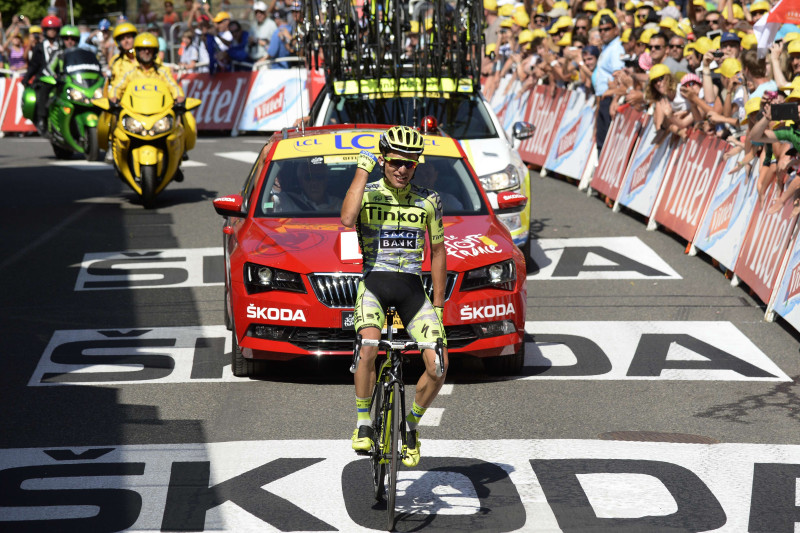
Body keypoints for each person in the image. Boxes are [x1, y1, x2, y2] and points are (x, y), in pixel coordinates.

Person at [341, 126, 448, 468]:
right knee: (369, 346)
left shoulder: (429, 200)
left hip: (412, 291)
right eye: (396, 162)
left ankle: (411, 425)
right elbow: (346, 218)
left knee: (439, 364)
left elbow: (439, 252)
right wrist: (362, 168)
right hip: (374, 284)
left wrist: (441, 306)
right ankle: (362, 423)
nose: (402, 170)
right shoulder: (368, 193)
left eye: (410, 165)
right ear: (384, 160)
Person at [110, 32, 185, 105]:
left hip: (160, 113)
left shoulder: (163, 70)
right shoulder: (129, 71)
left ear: (155, 51)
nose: (146, 52)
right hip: (134, 113)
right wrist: (113, 97)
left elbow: (173, 85)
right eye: (143, 49)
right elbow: (117, 87)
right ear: (137, 51)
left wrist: (179, 96)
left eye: (150, 49)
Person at [22, 15, 62, 130]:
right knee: (43, 92)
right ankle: (41, 118)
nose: (52, 32)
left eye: (54, 29)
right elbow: (34, 65)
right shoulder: (39, 47)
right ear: (44, 31)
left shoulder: (61, 47)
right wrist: (26, 79)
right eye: (49, 29)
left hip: (59, 79)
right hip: (43, 79)